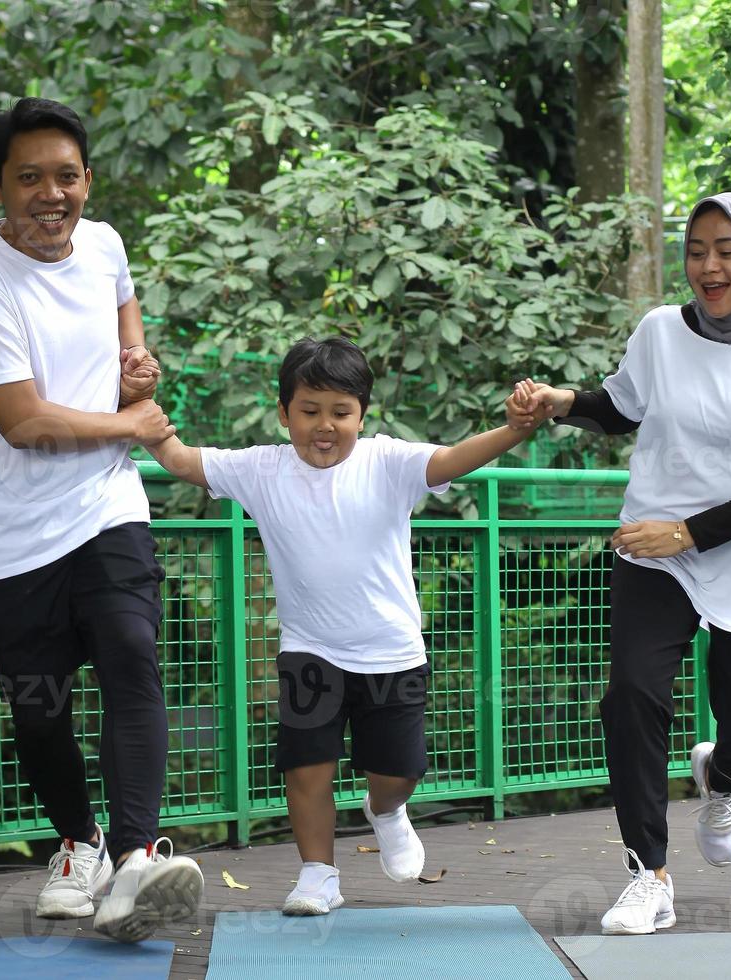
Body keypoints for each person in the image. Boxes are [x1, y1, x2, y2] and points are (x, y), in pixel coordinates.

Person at [507, 192, 731, 936]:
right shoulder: (662, 331)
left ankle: (722, 777)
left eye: (727, 250)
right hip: (655, 547)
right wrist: (562, 401)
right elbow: (624, 406)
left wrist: (687, 533)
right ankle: (646, 874)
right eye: (696, 250)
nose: (709, 266)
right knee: (630, 692)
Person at [145, 336, 538, 916]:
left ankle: (386, 812)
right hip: (310, 650)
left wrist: (515, 430)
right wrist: (147, 418)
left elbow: (455, 458)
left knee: (397, 773)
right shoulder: (260, 469)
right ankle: (317, 874)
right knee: (306, 769)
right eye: (309, 411)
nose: (324, 426)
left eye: (340, 412)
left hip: (392, 651)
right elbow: (180, 460)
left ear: (362, 414)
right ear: (284, 413)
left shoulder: (390, 461)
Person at [0, 96, 202, 943]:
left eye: (66, 176)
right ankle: (77, 844)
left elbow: (127, 332)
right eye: (30, 180)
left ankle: (133, 858)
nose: (51, 195)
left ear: (86, 180)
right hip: (6, 530)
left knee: (131, 653)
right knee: (41, 706)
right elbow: (23, 420)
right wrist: (133, 424)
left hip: (104, 503)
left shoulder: (106, 245)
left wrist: (137, 367)